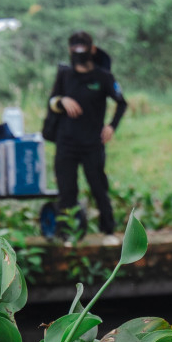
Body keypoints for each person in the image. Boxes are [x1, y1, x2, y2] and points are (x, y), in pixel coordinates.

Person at [44, 31, 127, 239]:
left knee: (99, 187)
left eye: (82, 47)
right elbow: (52, 101)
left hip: (92, 143)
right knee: (67, 190)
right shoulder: (64, 75)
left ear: (92, 49)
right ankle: (66, 236)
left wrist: (111, 126)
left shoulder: (103, 77)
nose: (78, 52)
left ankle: (108, 231)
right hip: (66, 142)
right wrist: (62, 100)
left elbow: (121, 103)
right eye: (75, 47)